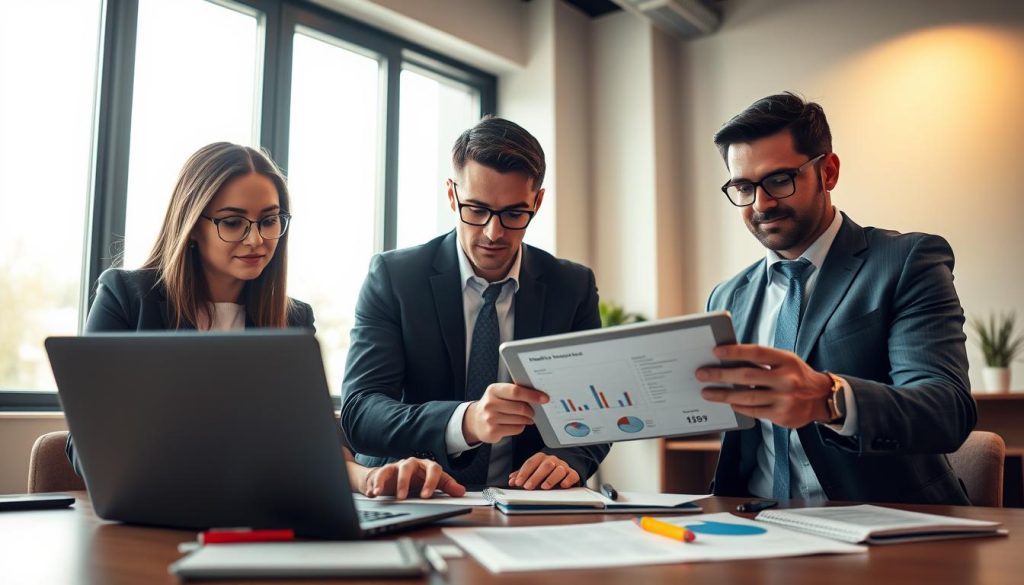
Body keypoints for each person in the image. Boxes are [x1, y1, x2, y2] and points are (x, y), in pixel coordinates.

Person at [66, 142, 464, 500]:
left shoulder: (292, 318)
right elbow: (87, 446)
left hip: (258, 516)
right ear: (191, 226)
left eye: (269, 220)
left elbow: (312, 445)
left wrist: (373, 478)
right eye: (233, 222)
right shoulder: (127, 298)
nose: (256, 240)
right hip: (153, 519)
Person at [696, 93, 976, 505]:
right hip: (754, 527)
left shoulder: (905, 262)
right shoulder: (727, 296)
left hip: (881, 525)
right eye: (743, 186)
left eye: (779, 180)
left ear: (828, 172)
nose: (762, 203)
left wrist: (831, 399)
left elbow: (946, 410)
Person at [342, 117, 610, 490]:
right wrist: (464, 422)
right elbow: (361, 412)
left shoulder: (573, 286)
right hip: (414, 498)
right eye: (476, 209)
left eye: (514, 214)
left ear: (538, 201)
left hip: (524, 507)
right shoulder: (394, 277)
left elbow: (596, 408)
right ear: (452, 195)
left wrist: (569, 459)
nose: (492, 233)